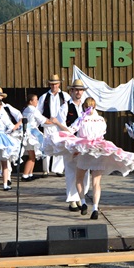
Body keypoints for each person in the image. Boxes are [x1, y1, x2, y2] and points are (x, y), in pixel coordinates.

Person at [47, 97, 134, 219]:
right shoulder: (101, 119)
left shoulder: (81, 119)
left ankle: (83, 202)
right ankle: (95, 207)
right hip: (98, 149)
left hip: (85, 151)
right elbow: (103, 133)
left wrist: (57, 123)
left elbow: (70, 131)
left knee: (79, 178)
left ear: (85, 107)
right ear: (95, 107)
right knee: (96, 182)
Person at [57, 79, 91, 211]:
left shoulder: (86, 106)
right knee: (71, 170)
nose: (78, 92)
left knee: (85, 170)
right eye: (76, 89)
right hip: (71, 142)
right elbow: (62, 125)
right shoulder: (65, 107)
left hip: (85, 143)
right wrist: (71, 142)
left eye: (80, 90)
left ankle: (80, 197)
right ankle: (72, 199)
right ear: (71, 91)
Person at [37, 74, 71, 177]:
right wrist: (45, 120)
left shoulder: (65, 96)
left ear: (59, 84)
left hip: (60, 125)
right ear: (49, 85)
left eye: (55, 84)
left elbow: (70, 109)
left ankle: (58, 169)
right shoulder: (44, 97)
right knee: (46, 145)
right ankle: (45, 170)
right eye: (52, 84)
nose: (54, 86)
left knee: (60, 145)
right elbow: (38, 111)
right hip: (48, 125)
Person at [20, 94, 47, 182]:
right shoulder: (33, 110)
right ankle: (25, 175)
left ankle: (29, 174)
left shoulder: (25, 110)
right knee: (31, 156)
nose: (37, 101)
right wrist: (54, 122)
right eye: (36, 100)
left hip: (26, 133)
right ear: (31, 101)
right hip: (31, 134)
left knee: (33, 155)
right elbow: (42, 120)